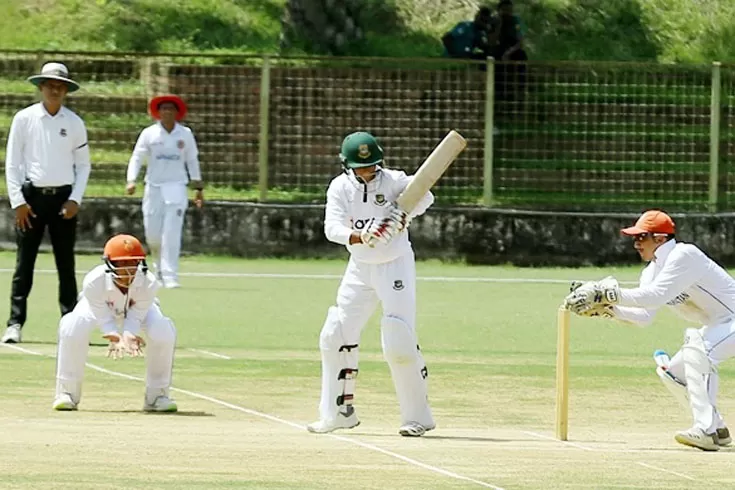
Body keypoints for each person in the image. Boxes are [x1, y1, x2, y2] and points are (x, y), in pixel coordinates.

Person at [564, 210, 735, 451]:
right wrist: (609, 310)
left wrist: (606, 293)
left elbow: (656, 296)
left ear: (660, 238)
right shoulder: (651, 271)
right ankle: (718, 429)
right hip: (721, 325)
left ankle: (705, 430)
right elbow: (644, 316)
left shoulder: (685, 254)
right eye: (634, 238)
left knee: (698, 354)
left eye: (641, 237)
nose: (636, 244)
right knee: (672, 372)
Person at [306, 131, 436, 437]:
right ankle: (339, 413)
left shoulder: (393, 180)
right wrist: (360, 236)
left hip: (395, 264)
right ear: (346, 165)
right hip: (360, 266)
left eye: (372, 165)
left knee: (399, 339)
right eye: (361, 167)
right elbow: (332, 228)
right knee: (335, 333)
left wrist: (405, 214)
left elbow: (425, 194)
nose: (367, 172)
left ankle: (418, 417)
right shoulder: (340, 187)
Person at [2, 62, 91, 344]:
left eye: (60, 86)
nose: (55, 90)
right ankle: (15, 323)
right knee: (24, 263)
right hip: (31, 199)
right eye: (50, 85)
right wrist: (18, 201)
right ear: (41, 87)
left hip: (63, 199)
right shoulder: (25, 119)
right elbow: (13, 163)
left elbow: (84, 165)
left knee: (66, 264)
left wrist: (75, 198)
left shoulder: (74, 123)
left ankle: (72, 323)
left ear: (66, 90)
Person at [53, 234, 178, 413]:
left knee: (163, 330)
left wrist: (128, 334)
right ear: (109, 264)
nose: (128, 270)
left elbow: (135, 316)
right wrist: (111, 332)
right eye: (121, 264)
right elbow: (102, 315)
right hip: (98, 308)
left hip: (138, 309)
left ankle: (157, 396)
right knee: (72, 325)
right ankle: (66, 394)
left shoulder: (149, 282)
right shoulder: (93, 281)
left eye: (133, 264)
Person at [126, 94, 204, 289]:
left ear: (177, 113)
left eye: (171, 108)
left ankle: (170, 275)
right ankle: (158, 269)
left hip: (176, 187)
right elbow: (137, 157)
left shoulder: (185, 134)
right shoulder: (149, 134)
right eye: (164, 108)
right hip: (153, 187)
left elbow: (192, 160)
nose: (167, 112)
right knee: (152, 234)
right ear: (158, 112)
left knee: (171, 232)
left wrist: (198, 188)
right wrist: (131, 180)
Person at [488, 0, 528, 100]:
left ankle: (520, 91)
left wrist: (508, 53)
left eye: (510, 10)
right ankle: (497, 94)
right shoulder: (493, 21)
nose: (507, 13)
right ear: (499, 10)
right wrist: (499, 26)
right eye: (504, 10)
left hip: (513, 50)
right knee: (493, 59)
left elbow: (520, 42)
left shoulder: (516, 21)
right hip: (498, 50)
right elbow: (491, 41)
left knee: (522, 56)